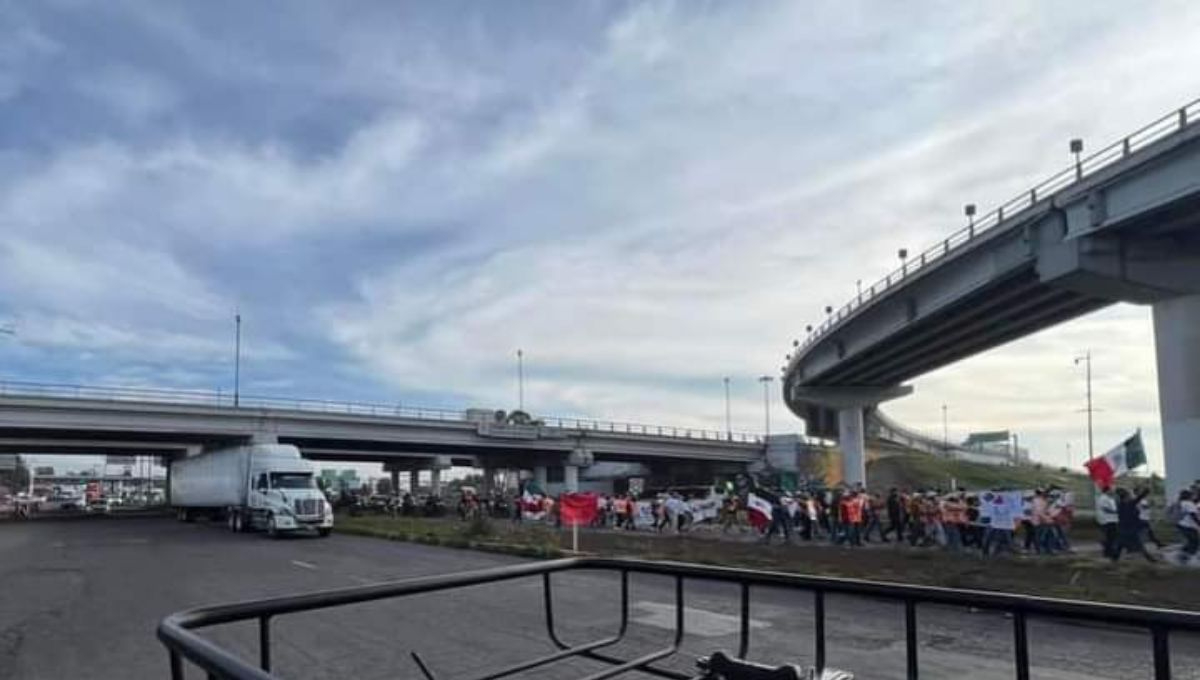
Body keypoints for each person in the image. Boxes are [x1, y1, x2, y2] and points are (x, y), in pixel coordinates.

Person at [1111, 487, 1156, 563]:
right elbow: (1138, 498)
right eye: (1128, 496)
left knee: (1120, 546)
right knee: (1139, 545)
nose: (1130, 497)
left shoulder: (1120, 505)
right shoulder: (1129, 504)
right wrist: (1146, 491)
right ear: (1126, 497)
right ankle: (1150, 559)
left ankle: (1114, 560)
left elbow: (1137, 499)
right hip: (1129, 530)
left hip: (1123, 529)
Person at [1175, 489, 1199, 565]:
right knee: (1195, 542)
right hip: (1188, 526)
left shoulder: (1182, 502)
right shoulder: (1189, 504)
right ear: (1188, 496)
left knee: (1192, 542)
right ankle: (1183, 556)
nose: (1193, 496)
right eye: (1192, 495)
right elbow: (1193, 515)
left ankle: (1183, 556)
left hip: (1182, 525)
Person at [1095, 486, 1119, 559]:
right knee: (1110, 537)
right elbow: (1105, 508)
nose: (1113, 491)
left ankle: (1109, 551)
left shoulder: (1110, 498)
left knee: (1112, 537)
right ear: (1107, 490)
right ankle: (1107, 552)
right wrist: (1115, 512)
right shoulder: (1103, 498)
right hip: (1107, 520)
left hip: (1112, 519)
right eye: (1111, 490)